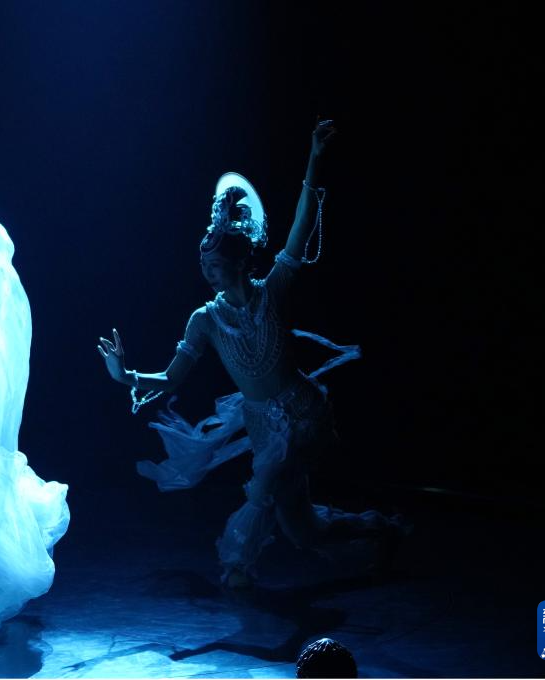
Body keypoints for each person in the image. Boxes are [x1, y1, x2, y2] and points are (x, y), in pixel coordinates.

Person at [98, 121, 407, 588]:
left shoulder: (274, 291)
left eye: (215, 265)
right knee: (303, 530)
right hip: (263, 425)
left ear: (240, 261)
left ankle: (237, 568)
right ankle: (379, 529)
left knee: (262, 488)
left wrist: (314, 160)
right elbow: (172, 378)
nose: (208, 273)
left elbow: (300, 231)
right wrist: (126, 376)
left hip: (303, 415)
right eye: (203, 266)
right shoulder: (204, 319)